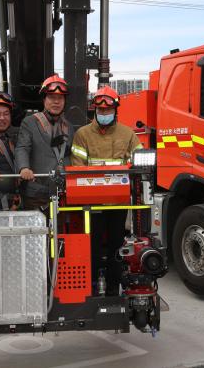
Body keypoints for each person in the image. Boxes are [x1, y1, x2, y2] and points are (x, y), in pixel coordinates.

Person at [70, 86, 144, 295]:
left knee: (116, 247)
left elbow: (138, 163)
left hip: (118, 202)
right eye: (100, 111)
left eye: (107, 111)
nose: (104, 114)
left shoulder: (127, 134)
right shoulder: (82, 134)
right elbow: (78, 168)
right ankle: (91, 287)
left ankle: (113, 287)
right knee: (91, 247)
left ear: (115, 110)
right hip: (91, 203)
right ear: (95, 110)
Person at [15, 75, 74, 210]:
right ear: (44, 100)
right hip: (36, 193)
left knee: (61, 230)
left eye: (60, 98)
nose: (56, 102)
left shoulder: (69, 127)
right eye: (52, 98)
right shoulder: (30, 122)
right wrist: (23, 168)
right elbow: (22, 147)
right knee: (37, 230)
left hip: (62, 192)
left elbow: (70, 155)